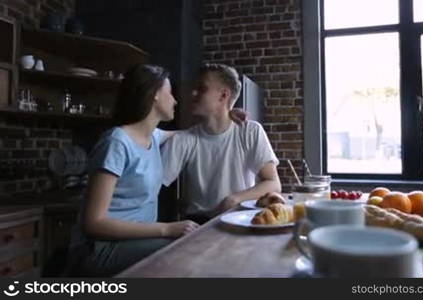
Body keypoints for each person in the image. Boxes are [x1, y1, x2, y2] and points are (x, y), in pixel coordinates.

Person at [67, 64, 199, 277]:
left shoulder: (154, 137)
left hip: (135, 242)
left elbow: (194, 134)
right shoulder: (116, 142)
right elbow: (93, 223)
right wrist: (167, 229)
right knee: (183, 251)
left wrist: (230, 116)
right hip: (99, 248)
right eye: (170, 92)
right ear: (155, 94)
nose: (175, 100)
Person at [161, 63, 281, 224]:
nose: (192, 93)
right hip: (197, 225)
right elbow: (151, 185)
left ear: (223, 95)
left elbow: (273, 183)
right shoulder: (183, 140)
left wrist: (233, 199)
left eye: (201, 88)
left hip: (242, 217)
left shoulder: (250, 131)